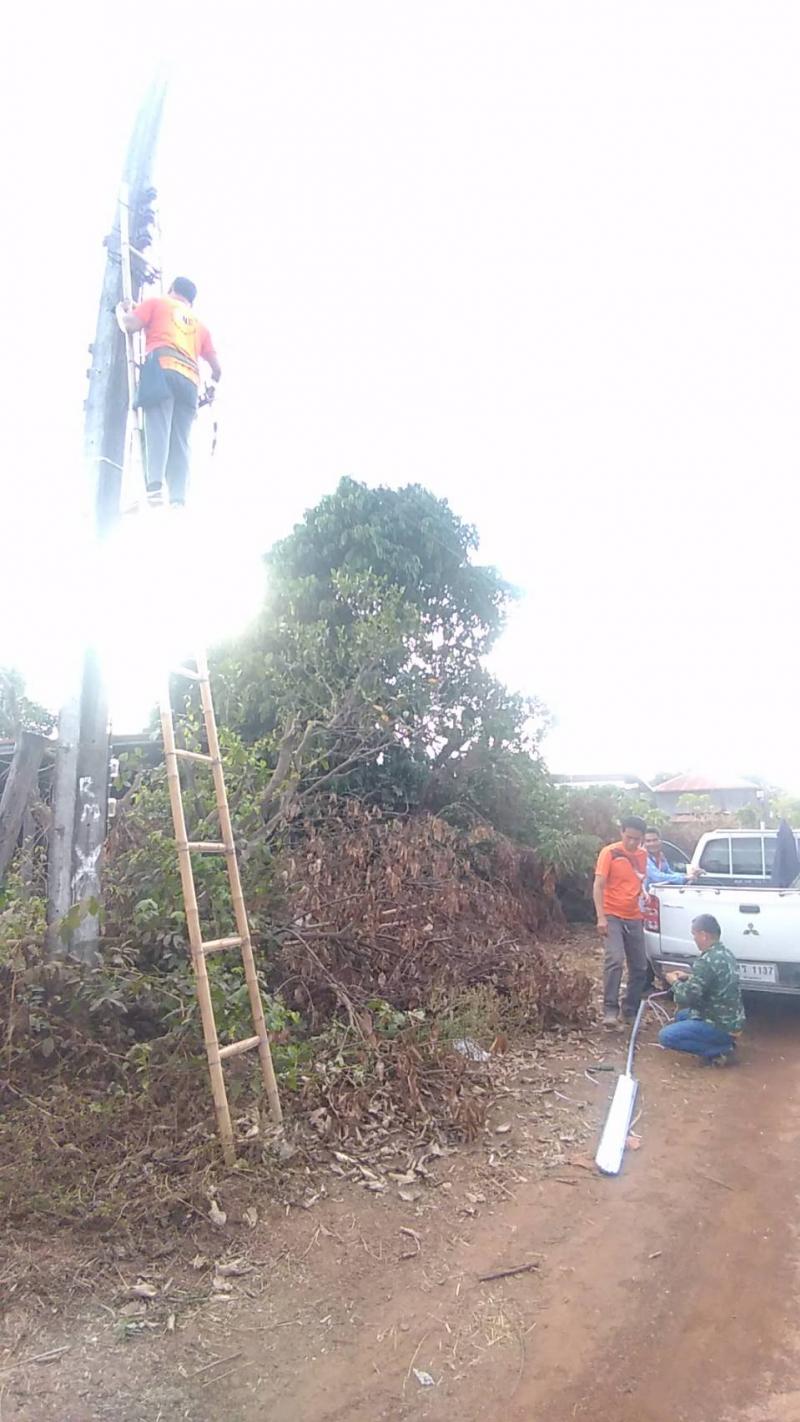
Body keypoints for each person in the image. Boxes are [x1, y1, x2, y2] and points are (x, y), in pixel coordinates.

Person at [117, 277, 221, 506]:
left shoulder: (157, 303)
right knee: (181, 441)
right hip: (190, 382)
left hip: (162, 369)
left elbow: (129, 325)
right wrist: (212, 387)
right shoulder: (200, 326)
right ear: (191, 301)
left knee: (158, 429)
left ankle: (154, 489)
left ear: (171, 289)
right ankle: (177, 499)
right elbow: (217, 370)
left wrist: (121, 311)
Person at [660, 914, 745, 1065]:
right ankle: (722, 1042)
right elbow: (712, 980)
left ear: (704, 935)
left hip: (719, 1025)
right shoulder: (726, 953)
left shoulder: (705, 961)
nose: (694, 939)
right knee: (681, 1016)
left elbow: (687, 997)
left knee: (666, 1036)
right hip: (732, 1020)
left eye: (695, 934)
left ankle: (719, 1050)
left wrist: (674, 982)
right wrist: (689, 977)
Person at [593, 816, 648, 1029]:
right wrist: (601, 917)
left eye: (637, 839)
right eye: (629, 837)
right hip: (612, 913)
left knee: (640, 966)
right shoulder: (610, 853)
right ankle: (610, 1009)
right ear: (621, 833)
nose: (632, 842)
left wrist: (644, 895)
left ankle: (630, 1008)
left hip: (634, 915)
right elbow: (598, 886)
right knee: (615, 959)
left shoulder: (643, 855)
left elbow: (639, 880)